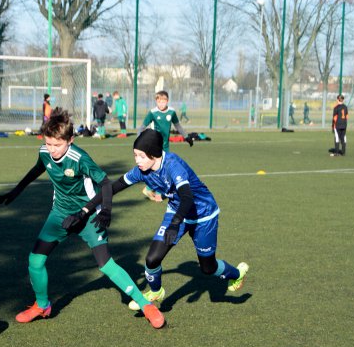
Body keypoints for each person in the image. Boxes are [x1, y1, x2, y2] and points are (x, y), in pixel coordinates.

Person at [0, 108, 165, 329]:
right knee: (35, 260)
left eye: (57, 145)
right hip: (60, 214)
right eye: (48, 144)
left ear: (70, 140)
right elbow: (37, 169)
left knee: (106, 264)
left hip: (89, 215)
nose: (52, 150)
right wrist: (15, 192)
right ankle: (42, 305)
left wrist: (106, 211)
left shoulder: (79, 158)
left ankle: (146, 306)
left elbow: (105, 184)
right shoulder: (45, 152)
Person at [67, 129, 249, 311]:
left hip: (203, 215)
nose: (137, 161)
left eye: (141, 156)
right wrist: (84, 211)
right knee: (152, 259)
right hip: (177, 211)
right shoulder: (141, 170)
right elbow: (112, 188)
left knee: (208, 268)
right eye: (135, 155)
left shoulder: (173, 166)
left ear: (154, 154)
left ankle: (237, 273)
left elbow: (187, 198)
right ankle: (156, 291)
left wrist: (175, 224)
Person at [139, 90, 192, 201]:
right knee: (160, 167)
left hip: (166, 145)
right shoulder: (152, 112)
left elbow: (178, 125)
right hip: (155, 144)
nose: (161, 104)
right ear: (156, 101)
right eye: (159, 102)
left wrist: (186, 137)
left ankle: (151, 189)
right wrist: (140, 139)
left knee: (163, 167)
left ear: (167, 101)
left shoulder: (171, 112)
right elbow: (142, 126)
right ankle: (156, 191)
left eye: (163, 102)